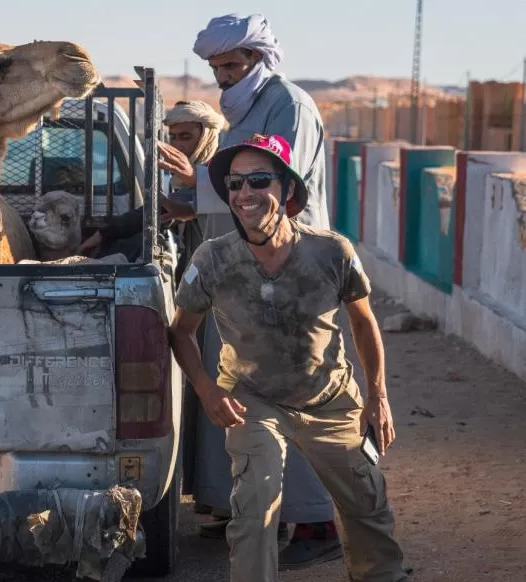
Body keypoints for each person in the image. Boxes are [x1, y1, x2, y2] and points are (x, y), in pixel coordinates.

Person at [169, 132, 409, 582]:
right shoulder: (213, 259)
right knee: (254, 509)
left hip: (330, 399)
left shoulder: (331, 251)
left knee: (366, 504)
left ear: (288, 188)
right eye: (235, 183)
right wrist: (207, 390)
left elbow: (363, 322)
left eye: (259, 180)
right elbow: (181, 332)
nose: (245, 193)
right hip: (253, 401)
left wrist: (378, 396)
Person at [159, 13, 340, 569]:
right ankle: (246, 509)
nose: (223, 77)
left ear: (258, 58)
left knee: (295, 394)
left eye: (232, 65)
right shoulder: (246, 110)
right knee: (246, 391)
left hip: (293, 269)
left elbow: (273, 183)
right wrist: (189, 205)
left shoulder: (289, 105)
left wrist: (195, 181)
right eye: (216, 68)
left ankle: (318, 523)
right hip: (249, 268)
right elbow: (235, 192)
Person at [76, 100, 224, 260]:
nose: (177, 145)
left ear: (206, 137)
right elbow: (162, 211)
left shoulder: (219, 174)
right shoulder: (186, 179)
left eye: (185, 137)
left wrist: (104, 233)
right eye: (173, 137)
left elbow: (164, 209)